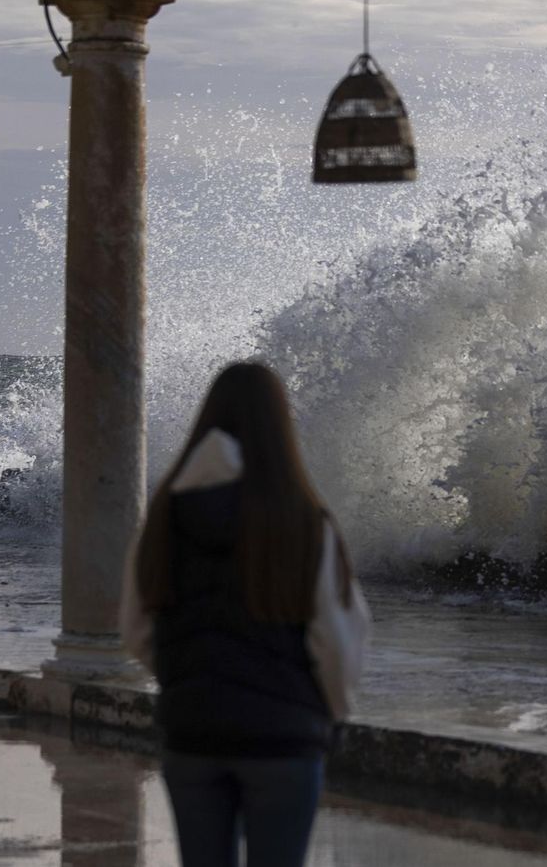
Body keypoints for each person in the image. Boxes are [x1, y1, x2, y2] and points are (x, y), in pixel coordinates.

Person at [118, 361, 370, 867]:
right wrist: (334, 713)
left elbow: (135, 629)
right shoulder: (304, 520)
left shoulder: (165, 516)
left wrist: (189, 679)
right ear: (280, 427)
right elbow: (336, 639)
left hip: (192, 736)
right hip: (283, 740)